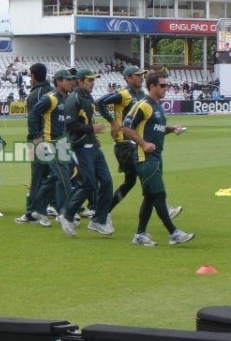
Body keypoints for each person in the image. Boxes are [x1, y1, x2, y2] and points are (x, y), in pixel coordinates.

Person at [97, 66, 183, 219]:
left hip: (134, 144)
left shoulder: (143, 95)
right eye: (137, 75)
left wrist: (168, 128)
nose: (141, 77)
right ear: (128, 78)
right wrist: (112, 121)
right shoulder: (123, 94)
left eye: (142, 75)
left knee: (131, 182)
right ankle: (162, 210)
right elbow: (100, 102)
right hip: (125, 144)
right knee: (149, 175)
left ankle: (102, 213)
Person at [122, 71, 195, 246]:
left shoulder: (157, 106)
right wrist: (143, 143)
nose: (166, 88)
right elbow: (126, 128)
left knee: (149, 196)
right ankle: (173, 233)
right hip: (144, 157)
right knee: (159, 194)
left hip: (155, 157)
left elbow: (156, 128)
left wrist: (171, 129)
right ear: (152, 86)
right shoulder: (143, 105)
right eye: (162, 85)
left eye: (166, 85)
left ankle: (140, 235)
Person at [59, 69, 113, 237]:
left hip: (92, 146)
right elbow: (70, 125)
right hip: (80, 147)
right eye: (89, 80)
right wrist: (91, 129)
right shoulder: (72, 99)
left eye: (93, 80)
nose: (92, 83)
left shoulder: (88, 98)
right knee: (88, 183)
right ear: (80, 81)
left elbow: (87, 120)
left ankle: (99, 220)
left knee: (106, 182)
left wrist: (93, 136)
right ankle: (67, 215)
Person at [22, 69, 76, 227]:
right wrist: (36, 135)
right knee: (63, 178)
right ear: (58, 82)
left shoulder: (68, 99)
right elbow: (33, 115)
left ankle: (38, 210)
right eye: (67, 80)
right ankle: (67, 213)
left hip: (62, 144)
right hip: (49, 144)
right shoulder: (50, 99)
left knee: (54, 178)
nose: (70, 82)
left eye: (71, 80)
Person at [15, 63, 54, 223]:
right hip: (55, 140)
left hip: (40, 141)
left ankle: (32, 212)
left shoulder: (35, 95)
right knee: (52, 176)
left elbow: (33, 119)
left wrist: (34, 140)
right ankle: (49, 208)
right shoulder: (53, 92)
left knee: (37, 177)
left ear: (33, 76)